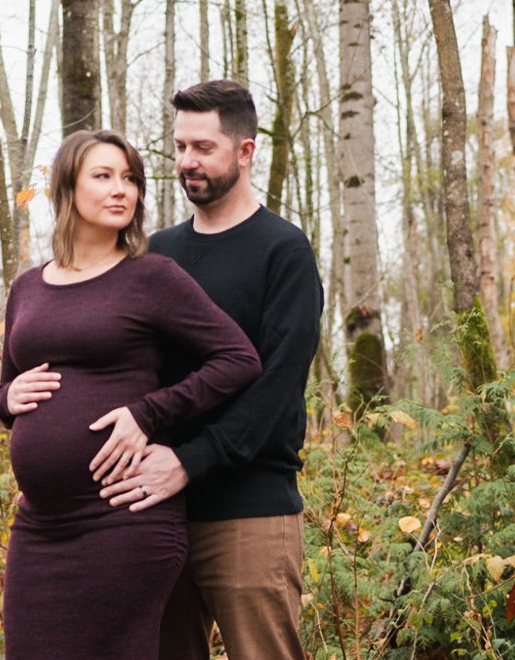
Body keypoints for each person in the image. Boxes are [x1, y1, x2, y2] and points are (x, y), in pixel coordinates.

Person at [0, 128, 260, 659]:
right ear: (67, 188)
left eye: (130, 179)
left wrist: (148, 413)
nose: (122, 190)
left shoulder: (151, 277)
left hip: (121, 523)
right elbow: (6, 391)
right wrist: (5, 398)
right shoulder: (28, 287)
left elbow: (238, 359)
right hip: (40, 528)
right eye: (104, 176)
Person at [111, 80, 324, 660]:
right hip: (155, 513)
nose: (186, 162)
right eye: (179, 147)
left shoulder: (283, 251)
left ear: (246, 151)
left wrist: (188, 460)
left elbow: (277, 391)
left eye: (203, 147)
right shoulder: (155, 254)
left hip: (249, 511)